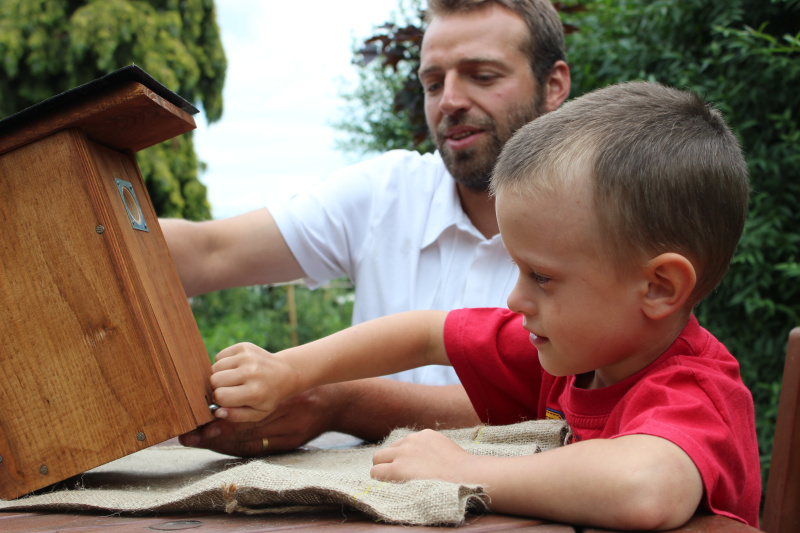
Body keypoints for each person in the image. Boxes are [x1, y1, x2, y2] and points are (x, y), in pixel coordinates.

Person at [206, 81, 760, 530]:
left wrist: (464, 469)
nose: (515, 298)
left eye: (541, 276)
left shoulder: (694, 392)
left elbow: (644, 488)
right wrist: (289, 370)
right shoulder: (584, 356)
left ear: (659, 287)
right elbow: (426, 334)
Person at [167, 0, 571, 455]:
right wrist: (101, 228)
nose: (449, 101)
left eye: (482, 76)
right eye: (433, 83)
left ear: (553, 85)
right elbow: (209, 251)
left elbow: (555, 403)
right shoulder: (387, 191)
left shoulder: (602, 222)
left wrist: (342, 403)